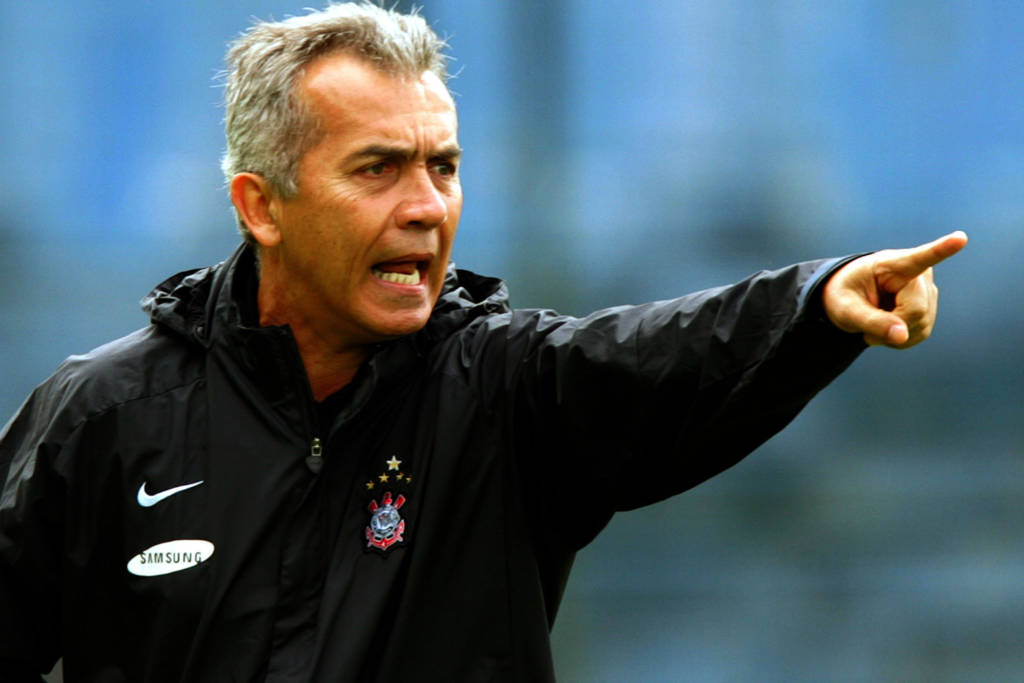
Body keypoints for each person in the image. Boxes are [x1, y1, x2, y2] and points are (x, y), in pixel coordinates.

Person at [0, 3, 967, 682]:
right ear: (261, 205)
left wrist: (817, 302)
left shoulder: (506, 393)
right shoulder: (104, 416)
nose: (427, 206)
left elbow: (669, 352)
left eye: (445, 166)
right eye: (378, 169)